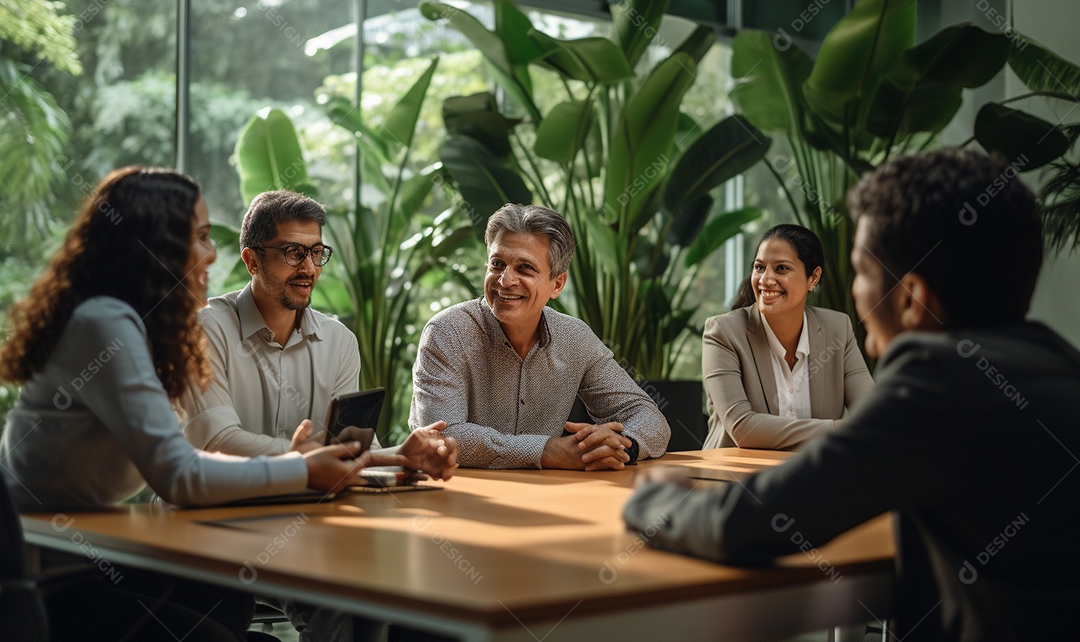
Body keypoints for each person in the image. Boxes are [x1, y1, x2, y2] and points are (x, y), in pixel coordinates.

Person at [623, 149, 1080, 641]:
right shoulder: (1062, 365)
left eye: (861, 272)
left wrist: (651, 502)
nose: (858, 294)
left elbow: (747, 527)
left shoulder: (937, 381)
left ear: (910, 300)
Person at [0, 167, 410, 641]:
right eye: (198, 236)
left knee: (232, 599)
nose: (212, 252)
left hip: (85, 551)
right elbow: (179, 474)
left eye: (316, 253)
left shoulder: (142, 327)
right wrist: (300, 466)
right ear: (157, 244)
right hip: (37, 571)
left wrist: (388, 458)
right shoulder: (104, 324)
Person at [177, 189, 457, 642]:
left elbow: (343, 450)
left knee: (376, 589)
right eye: (292, 253)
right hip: (217, 519)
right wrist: (302, 461)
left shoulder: (339, 340)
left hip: (310, 518)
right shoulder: (206, 330)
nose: (308, 267)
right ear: (252, 260)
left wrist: (400, 456)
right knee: (335, 595)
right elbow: (215, 441)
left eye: (315, 252)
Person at [410, 203, 670, 470]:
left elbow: (649, 417)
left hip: (546, 496)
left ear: (557, 284)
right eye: (497, 264)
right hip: (456, 498)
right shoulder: (447, 332)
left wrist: (619, 446)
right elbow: (440, 438)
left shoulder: (574, 337)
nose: (505, 280)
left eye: (524, 268)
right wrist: (547, 451)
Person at [702, 224, 874, 449]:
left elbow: (872, 413)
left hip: (814, 476)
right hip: (736, 478)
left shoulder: (837, 329)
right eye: (759, 267)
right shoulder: (723, 333)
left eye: (781, 268)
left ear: (814, 278)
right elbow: (743, 428)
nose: (766, 279)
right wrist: (842, 429)